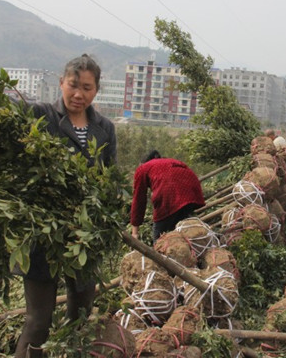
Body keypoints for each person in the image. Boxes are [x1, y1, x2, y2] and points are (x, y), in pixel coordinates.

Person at [15, 54, 117, 358]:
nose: (78, 94)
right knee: (38, 321)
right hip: (44, 235)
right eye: (73, 85)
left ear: (96, 90)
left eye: (86, 87)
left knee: (81, 318)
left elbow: (109, 179)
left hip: (85, 237)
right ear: (61, 83)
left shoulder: (105, 128)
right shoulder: (40, 115)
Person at [130, 151, 205, 243]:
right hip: (191, 192)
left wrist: (135, 232)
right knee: (182, 229)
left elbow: (139, 200)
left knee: (159, 237)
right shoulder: (170, 162)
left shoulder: (143, 168)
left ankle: (159, 254)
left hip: (170, 193)